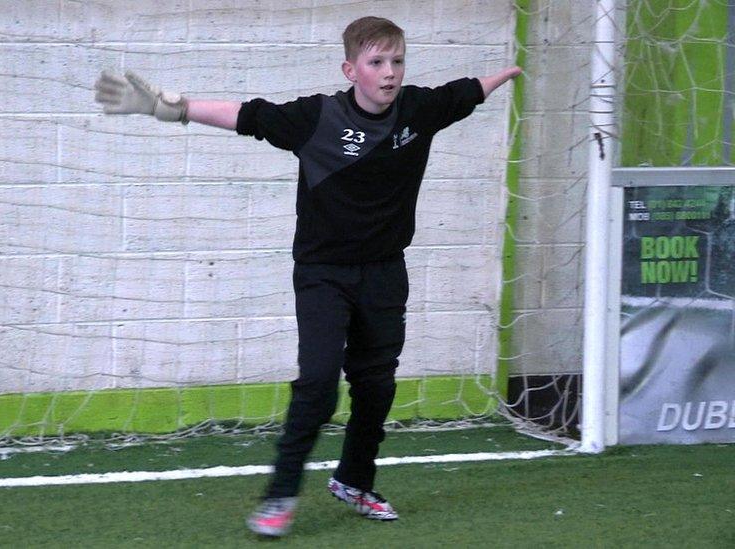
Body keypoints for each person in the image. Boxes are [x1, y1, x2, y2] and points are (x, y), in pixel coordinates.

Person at [94, 15, 521, 538]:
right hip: (323, 275)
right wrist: (176, 108)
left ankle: (355, 480)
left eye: (398, 61)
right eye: (377, 63)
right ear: (351, 69)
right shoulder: (317, 117)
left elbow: (465, 92)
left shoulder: (419, 110)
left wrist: (508, 72)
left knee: (376, 385)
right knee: (318, 384)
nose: (390, 73)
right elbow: (248, 116)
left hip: (387, 273)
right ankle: (279, 495)